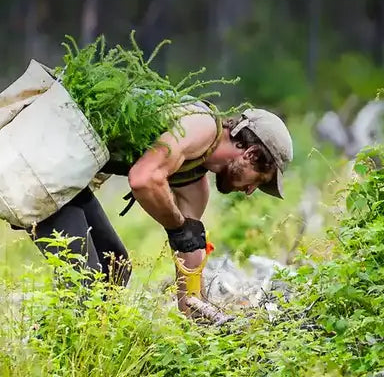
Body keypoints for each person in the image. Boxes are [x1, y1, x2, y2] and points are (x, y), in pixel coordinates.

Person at [26, 102, 293, 323]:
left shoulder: (194, 183)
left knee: (114, 266)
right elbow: (143, 179)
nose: (250, 191)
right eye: (259, 180)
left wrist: (203, 316)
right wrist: (177, 226)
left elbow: (190, 254)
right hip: (39, 161)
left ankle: (94, 349)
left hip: (66, 176)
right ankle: (59, 360)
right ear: (251, 154)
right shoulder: (201, 126)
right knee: (84, 278)